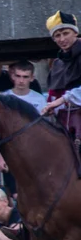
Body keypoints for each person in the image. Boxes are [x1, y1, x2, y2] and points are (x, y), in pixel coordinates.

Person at [45, 11, 81, 145]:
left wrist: (63, 99)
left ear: (75, 33)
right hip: (64, 123)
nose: (61, 39)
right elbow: (53, 95)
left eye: (66, 33)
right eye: (57, 35)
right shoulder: (56, 63)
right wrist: (50, 108)